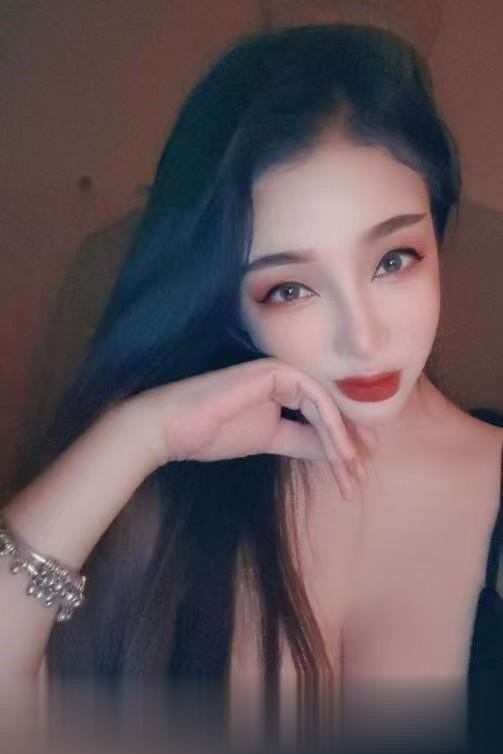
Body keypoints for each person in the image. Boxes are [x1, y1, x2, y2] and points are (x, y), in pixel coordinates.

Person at [0, 22, 502, 753]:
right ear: (229, 302)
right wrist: (137, 437)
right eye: (290, 288)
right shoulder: (169, 497)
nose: (361, 337)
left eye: (393, 259)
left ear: (437, 230)